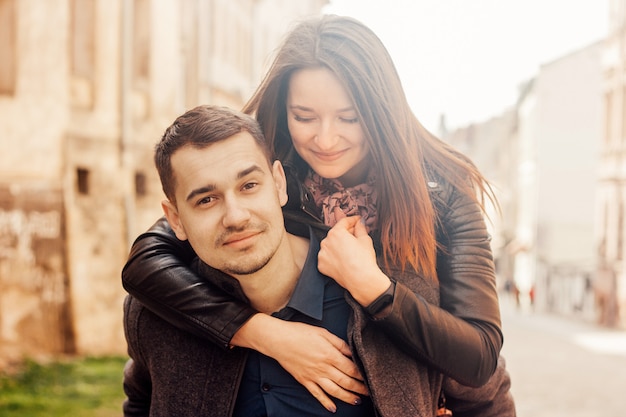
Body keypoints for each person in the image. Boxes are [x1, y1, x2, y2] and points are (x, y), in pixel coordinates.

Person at [122, 14, 515, 416]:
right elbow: (145, 265)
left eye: (349, 117)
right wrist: (264, 333)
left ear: (380, 112)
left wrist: (374, 289)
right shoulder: (266, 167)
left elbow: (480, 358)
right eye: (304, 117)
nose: (325, 139)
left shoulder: (440, 196)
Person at [123, 105, 374, 416]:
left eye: (249, 186)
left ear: (279, 184)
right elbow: (140, 401)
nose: (235, 217)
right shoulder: (152, 315)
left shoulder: (367, 297)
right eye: (206, 200)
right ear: (175, 219)